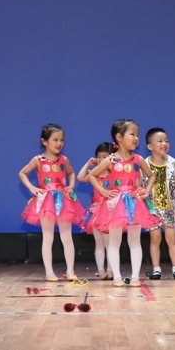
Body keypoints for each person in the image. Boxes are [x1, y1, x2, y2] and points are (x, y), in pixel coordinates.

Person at [88, 119, 160, 287]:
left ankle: (135, 277)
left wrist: (146, 190)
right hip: (115, 205)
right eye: (132, 134)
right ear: (119, 137)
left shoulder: (138, 159)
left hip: (135, 203)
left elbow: (152, 176)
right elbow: (92, 175)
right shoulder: (111, 160)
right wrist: (103, 191)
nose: (136, 138)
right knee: (114, 241)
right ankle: (117, 277)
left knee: (134, 241)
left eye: (137, 135)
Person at [19, 123, 85, 282]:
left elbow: (71, 173)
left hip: (64, 201)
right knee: (48, 237)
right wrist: (32, 187)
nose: (59, 143)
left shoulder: (63, 160)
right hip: (46, 201)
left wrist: (71, 186)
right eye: (55, 139)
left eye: (61, 140)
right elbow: (22, 173)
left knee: (66, 236)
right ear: (44, 141)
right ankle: (49, 273)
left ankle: (70, 271)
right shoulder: (38, 160)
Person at [142, 128, 175, 280]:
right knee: (155, 238)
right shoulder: (144, 164)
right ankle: (156, 269)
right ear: (150, 146)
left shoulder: (174, 163)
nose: (164, 143)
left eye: (166, 141)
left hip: (169, 207)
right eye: (160, 141)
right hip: (152, 208)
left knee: (172, 239)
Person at [77, 142, 113, 280]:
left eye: (105, 156)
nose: (101, 159)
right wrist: (88, 164)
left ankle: (111, 270)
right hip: (96, 213)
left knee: (110, 243)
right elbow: (80, 177)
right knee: (99, 243)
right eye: (98, 156)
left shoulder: (113, 174)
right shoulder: (94, 174)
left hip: (110, 211)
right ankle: (101, 270)